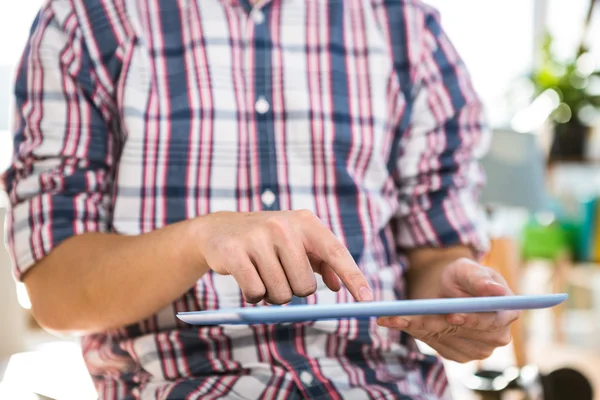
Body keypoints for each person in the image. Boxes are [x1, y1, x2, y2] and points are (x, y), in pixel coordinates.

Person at [1, 0, 518, 398]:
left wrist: (450, 296)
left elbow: (433, 256)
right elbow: (55, 292)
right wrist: (199, 239)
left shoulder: (406, 25)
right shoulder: (88, 20)